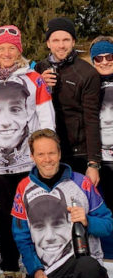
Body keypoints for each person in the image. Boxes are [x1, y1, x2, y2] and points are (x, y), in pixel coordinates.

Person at [0, 25, 55, 278]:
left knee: (34, 218)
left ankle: (42, 274)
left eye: (12, 47)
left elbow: (46, 118)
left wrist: (45, 156)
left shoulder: (33, 79)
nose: (6, 53)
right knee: (8, 222)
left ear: (19, 50)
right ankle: (11, 276)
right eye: (1, 48)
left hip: (27, 162)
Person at [5, 129, 112, 278]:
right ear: (32, 157)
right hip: (48, 272)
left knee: (88, 266)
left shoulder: (82, 183)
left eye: (51, 153)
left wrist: (88, 221)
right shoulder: (23, 187)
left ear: (60, 153)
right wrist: (35, 271)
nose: (47, 159)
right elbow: (22, 237)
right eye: (41, 154)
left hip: (79, 265)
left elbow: (108, 225)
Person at [35, 17, 101, 186]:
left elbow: (92, 119)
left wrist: (93, 163)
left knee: (78, 206)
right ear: (48, 43)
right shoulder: (38, 69)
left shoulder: (87, 73)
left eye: (66, 40)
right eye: (55, 40)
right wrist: (38, 84)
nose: (61, 45)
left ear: (73, 42)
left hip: (77, 153)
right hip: (47, 153)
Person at [89, 36, 113, 212]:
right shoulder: (88, 84)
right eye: (99, 58)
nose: (104, 62)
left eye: (109, 56)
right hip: (101, 160)